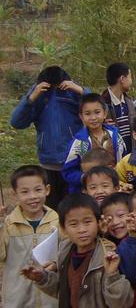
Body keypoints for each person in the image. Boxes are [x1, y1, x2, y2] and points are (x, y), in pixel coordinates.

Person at [23, 193, 134, 308]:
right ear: (64, 229)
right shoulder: (65, 252)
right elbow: (64, 289)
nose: (82, 229)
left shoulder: (109, 253)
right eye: (74, 224)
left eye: (87, 222)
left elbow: (121, 302)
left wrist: (112, 275)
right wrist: (42, 278)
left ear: (99, 223)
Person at [0, 165, 65, 308]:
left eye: (37, 190)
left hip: (52, 303)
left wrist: (55, 263)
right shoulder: (10, 224)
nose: (32, 197)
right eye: (24, 192)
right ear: (15, 194)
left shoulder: (58, 221)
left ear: (47, 189)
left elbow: (65, 253)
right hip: (22, 303)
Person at [10, 65, 88, 208]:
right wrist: (31, 97)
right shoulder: (38, 95)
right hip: (48, 164)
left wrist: (80, 90)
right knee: (52, 211)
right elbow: (16, 122)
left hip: (73, 163)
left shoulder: (72, 92)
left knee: (75, 208)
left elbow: (98, 107)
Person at [62, 93, 126, 194]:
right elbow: (68, 171)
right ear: (81, 117)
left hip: (113, 189)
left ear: (105, 113)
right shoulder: (79, 142)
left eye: (97, 112)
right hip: (88, 192)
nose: (93, 117)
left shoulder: (115, 136)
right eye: (88, 114)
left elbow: (124, 160)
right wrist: (85, 177)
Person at [101, 62, 136, 154]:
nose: (131, 81)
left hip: (131, 155)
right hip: (111, 155)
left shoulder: (129, 102)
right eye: (130, 77)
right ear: (122, 79)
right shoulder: (102, 104)